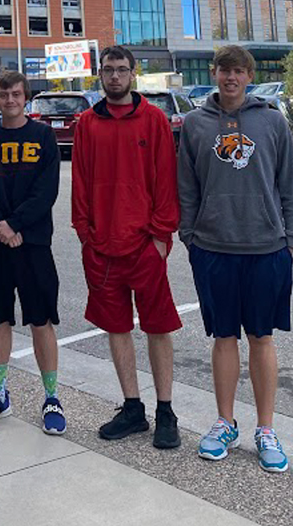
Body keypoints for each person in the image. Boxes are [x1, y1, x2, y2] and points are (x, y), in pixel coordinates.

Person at [177, 45, 293, 473]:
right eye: (224, 70)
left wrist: (291, 239)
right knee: (223, 338)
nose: (230, 77)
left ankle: (266, 428)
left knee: (262, 338)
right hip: (213, 249)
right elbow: (187, 187)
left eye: (238, 71)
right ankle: (225, 422)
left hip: (267, 248)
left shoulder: (271, 120)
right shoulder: (195, 124)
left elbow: (290, 182)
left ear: (249, 76)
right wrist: (190, 237)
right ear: (214, 73)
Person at [71, 46, 182, 449]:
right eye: (108, 70)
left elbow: (165, 181)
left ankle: (166, 410)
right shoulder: (86, 123)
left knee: (158, 326)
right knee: (116, 327)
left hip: (144, 245)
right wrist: (85, 234)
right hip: (101, 247)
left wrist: (159, 237)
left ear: (133, 74)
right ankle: (133, 408)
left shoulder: (153, 119)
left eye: (121, 70)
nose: (114, 76)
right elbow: (79, 182)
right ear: (99, 75)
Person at [0, 70, 65, 435]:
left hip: (33, 243)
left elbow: (46, 190)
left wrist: (17, 225)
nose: (10, 100)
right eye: (4, 94)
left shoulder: (42, 136)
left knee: (41, 319)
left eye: (16, 94)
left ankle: (52, 397)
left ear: (26, 98)